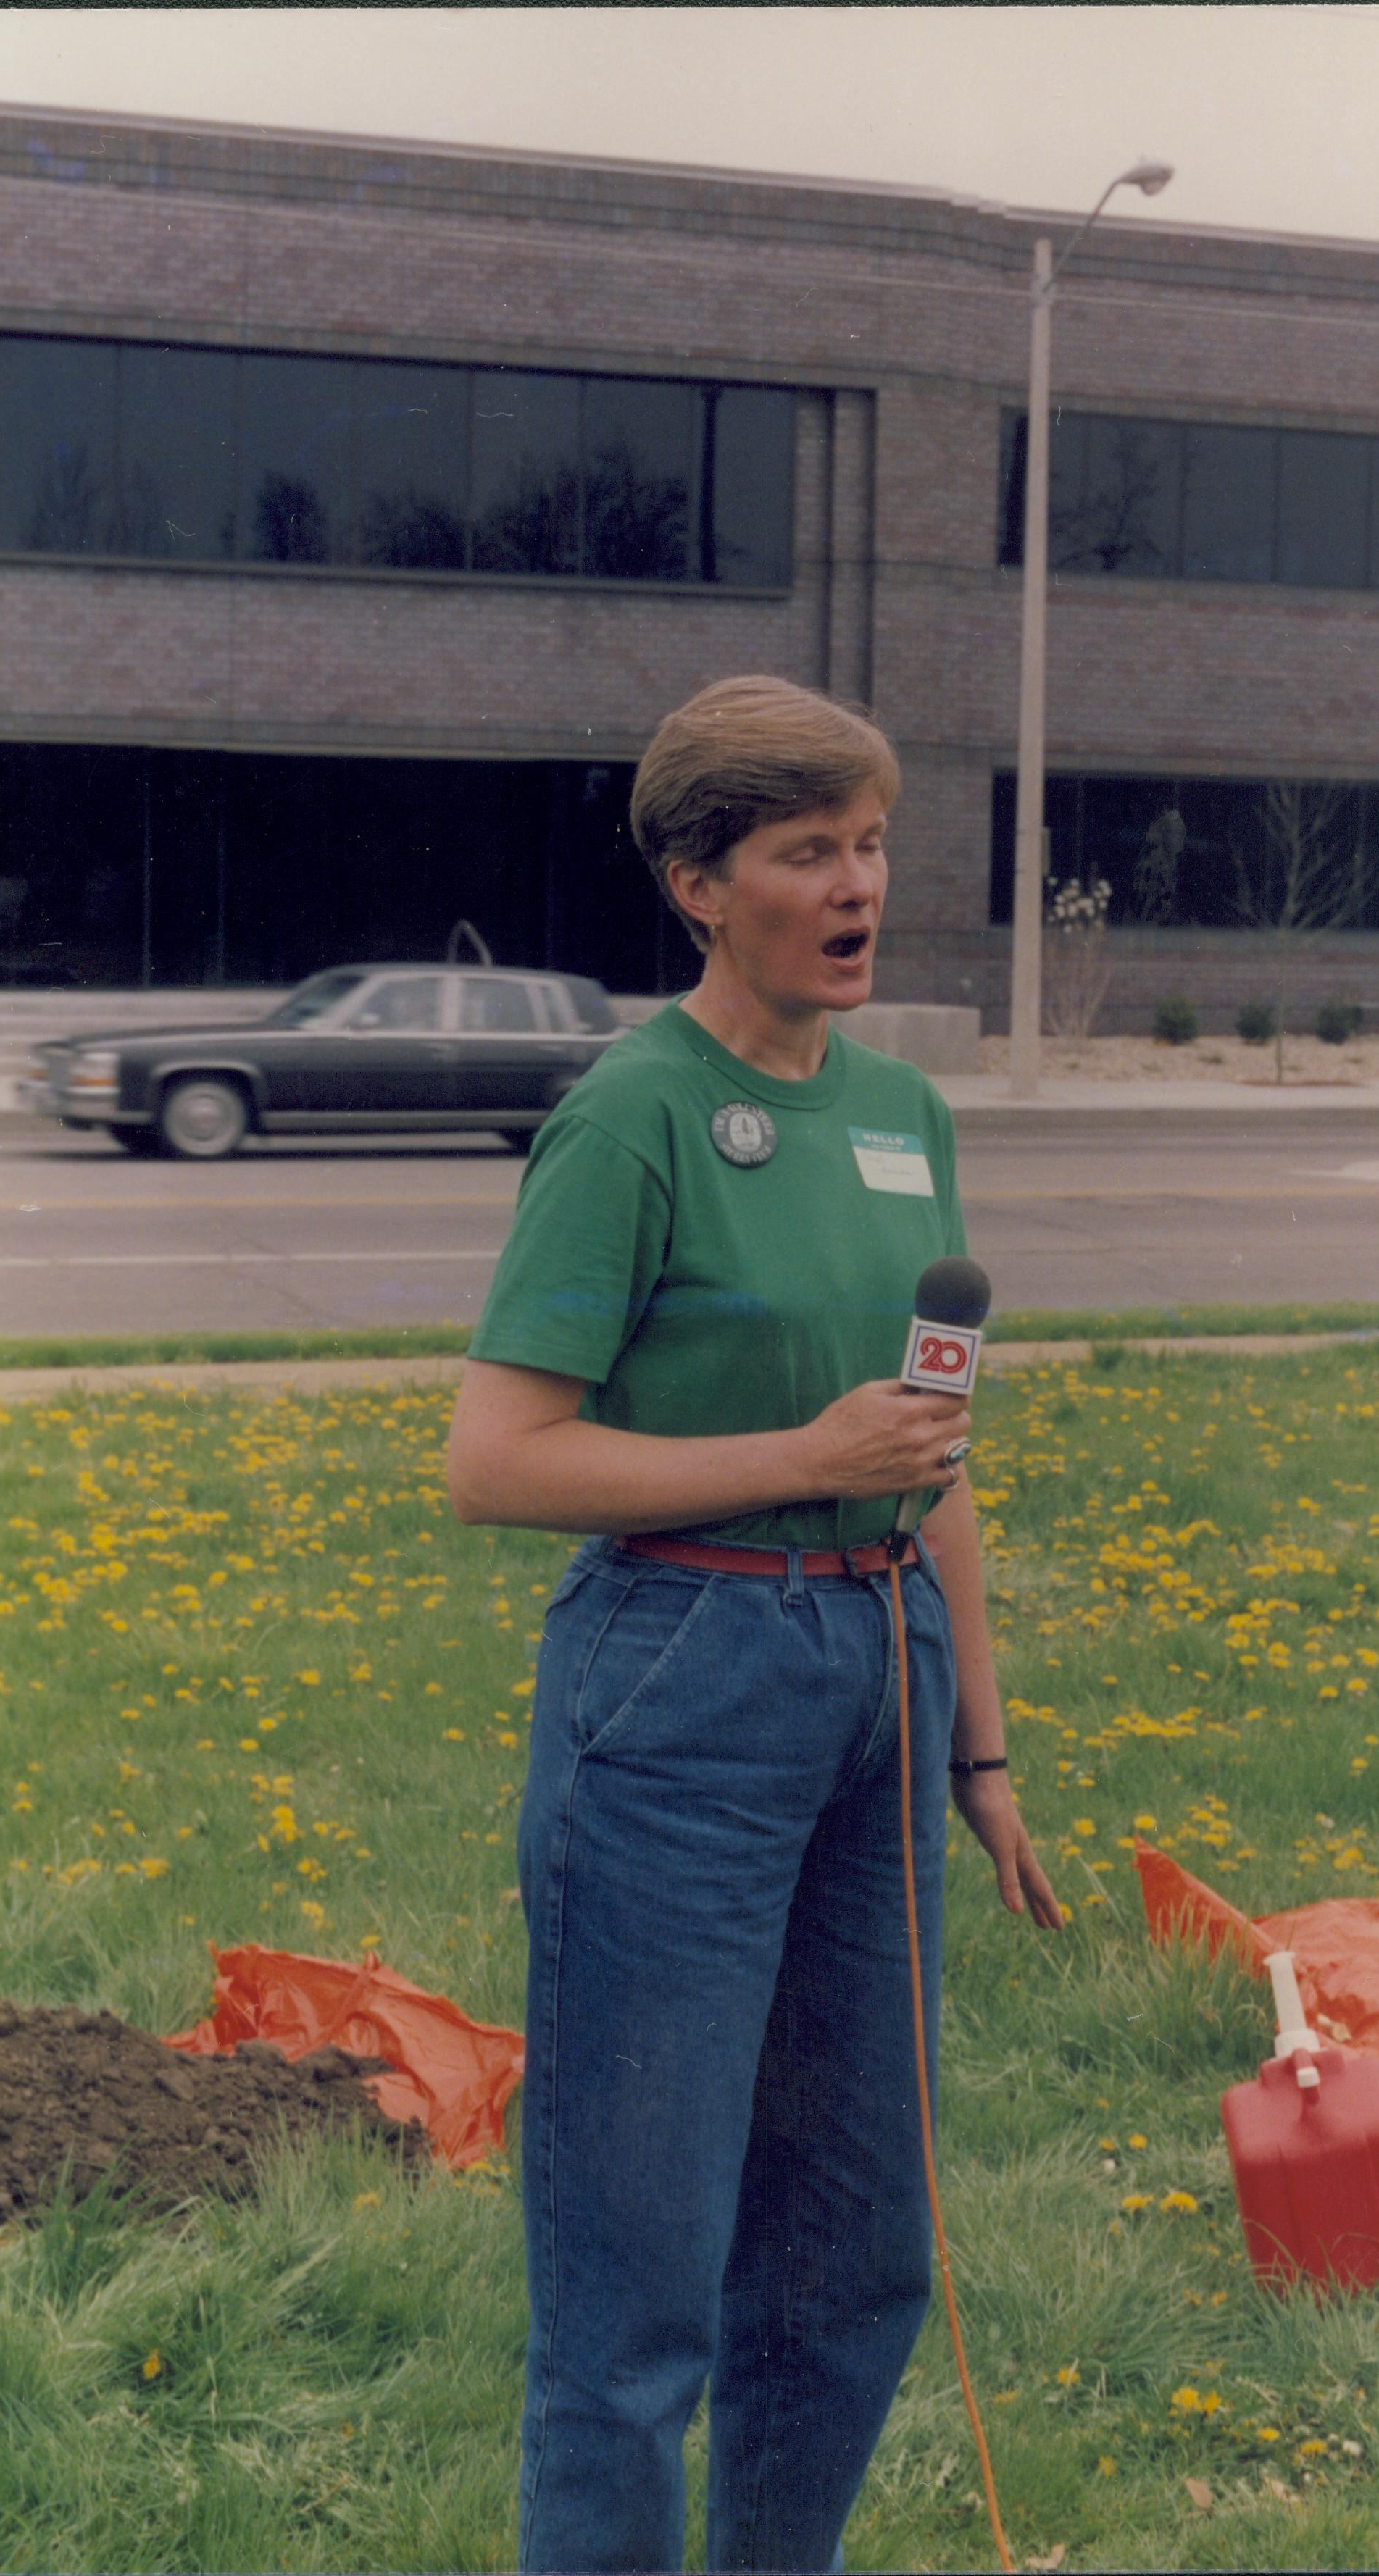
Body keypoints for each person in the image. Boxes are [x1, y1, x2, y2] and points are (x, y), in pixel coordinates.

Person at [447, 674, 1061, 2575]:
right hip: (682, 1684)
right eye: (810, 850)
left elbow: (932, 1445)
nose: (859, 883)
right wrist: (802, 1446)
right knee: (639, 2293)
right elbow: (497, 1458)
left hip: (885, 1673)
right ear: (700, 884)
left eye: (871, 841)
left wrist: (983, 1745)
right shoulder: (630, 1120)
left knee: (854, 2245)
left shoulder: (902, 1116)